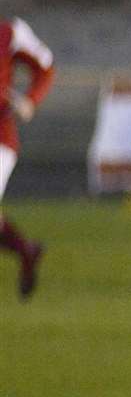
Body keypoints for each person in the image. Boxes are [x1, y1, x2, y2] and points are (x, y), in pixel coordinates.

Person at [0, 17, 53, 300]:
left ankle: (25, 251)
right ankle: (25, 251)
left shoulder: (9, 33)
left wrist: (31, 100)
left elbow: (45, 66)